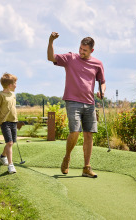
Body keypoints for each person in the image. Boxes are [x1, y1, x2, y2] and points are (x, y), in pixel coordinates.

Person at [47, 32, 106, 178]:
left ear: (92, 50)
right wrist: (51, 41)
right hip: (72, 101)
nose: (81, 52)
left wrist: (101, 91)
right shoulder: (70, 58)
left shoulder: (97, 64)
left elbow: (102, 82)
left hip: (89, 103)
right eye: (80, 48)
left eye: (84, 50)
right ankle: (67, 157)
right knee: (75, 131)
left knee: (89, 134)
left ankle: (86, 167)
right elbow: (51, 57)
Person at [0, 73, 18, 174]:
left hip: (13, 121)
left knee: (11, 142)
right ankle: (11, 165)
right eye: (15, 83)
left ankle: (3, 156)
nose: (16, 85)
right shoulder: (1, 95)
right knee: (9, 143)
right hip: (4, 122)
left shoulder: (13, 94)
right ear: (10, 85)